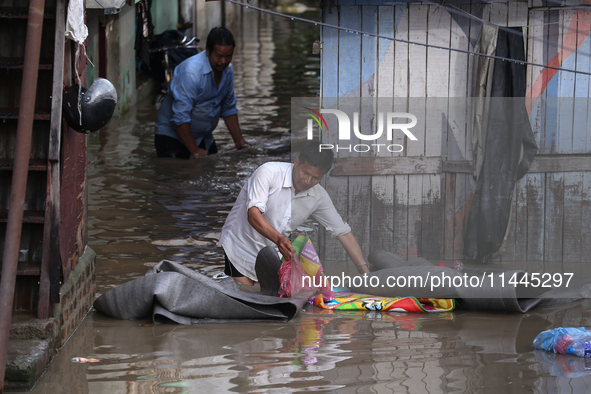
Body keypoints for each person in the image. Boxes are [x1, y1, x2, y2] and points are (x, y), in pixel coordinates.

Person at [218, 140, 371, 295]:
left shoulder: (319, 197)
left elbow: (343, 233)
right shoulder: (269, 172)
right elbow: (253, 215)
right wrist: (279, 240)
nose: (307, 181)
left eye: (316, 177)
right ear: (297, 161)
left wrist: (366, 273)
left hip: (272, 253)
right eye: (305, 173)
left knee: (274, 296)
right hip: (240, 246)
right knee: (246, 295)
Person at [154, 27, 248, 159]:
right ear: (208, 51)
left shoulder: (228, 71)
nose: (223, 61)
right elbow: (180, 118)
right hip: (172, 136)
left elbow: (228, 108)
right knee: (178, 174)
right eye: (219, 56)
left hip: (202, 136)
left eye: (228, 56)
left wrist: (240, 142)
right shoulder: (191, 73)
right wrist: (195, 150)